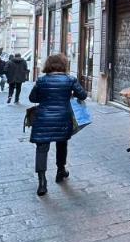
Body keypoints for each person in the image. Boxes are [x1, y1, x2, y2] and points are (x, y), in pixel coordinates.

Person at [28, 53, 87, 196]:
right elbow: (83, 95)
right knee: (62, 144)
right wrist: (69, 94)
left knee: (41, 148)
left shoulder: (41, 81)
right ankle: (60, 170)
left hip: (43, 118)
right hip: (62, 117)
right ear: (64, 65)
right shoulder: (70, 80)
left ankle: (42, 182)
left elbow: (32, 98)